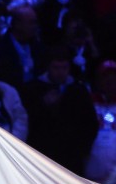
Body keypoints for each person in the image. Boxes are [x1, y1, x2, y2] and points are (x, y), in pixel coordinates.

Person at [21, 43, 97, 174]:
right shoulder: (33, 89)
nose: (60, 72)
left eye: (64, 68)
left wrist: (82, 150)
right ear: (48, 67)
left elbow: (90, 124)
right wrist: (43, 105)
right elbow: (26, 121)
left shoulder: (78, 89)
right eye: (56, 68)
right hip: (41, 155)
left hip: (72, 158)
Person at [0, 4, 44, 89]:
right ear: (17, 24)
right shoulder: (0, 48)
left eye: (35, 22)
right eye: (31, 22)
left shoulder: (37, 47)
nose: (35, 27)